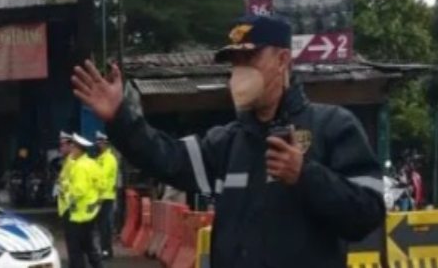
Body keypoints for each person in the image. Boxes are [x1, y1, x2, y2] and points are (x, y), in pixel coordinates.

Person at [72, 14, 385, 268]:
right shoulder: (230, 141)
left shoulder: (333, 126)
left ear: (282, 60)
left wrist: (305, 175)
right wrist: (120, 118)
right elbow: (168, 157)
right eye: (234, 62)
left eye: (249, 58)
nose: (239, 71)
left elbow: (367, 214)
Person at [64, 133, 103, 268]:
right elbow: (101, 185)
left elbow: (79, 190)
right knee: (89, 247)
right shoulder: (92, 163)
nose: (71, 150)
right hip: (90, 212)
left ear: (79, 150)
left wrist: (68, 195)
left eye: (73, 148)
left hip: (78, 215)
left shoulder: (79, 166)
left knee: (76, 251)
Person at [94, 131, 119, 259]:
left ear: (105, 143)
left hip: (106, 196)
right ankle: (104, 249)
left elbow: (101, 176)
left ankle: (106, 251)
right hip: (100, 196)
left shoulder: (109, 159)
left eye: (100, 142)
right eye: (97, 142)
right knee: (101, 225)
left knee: (105, 226)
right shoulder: (100, 158)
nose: (98, 145)